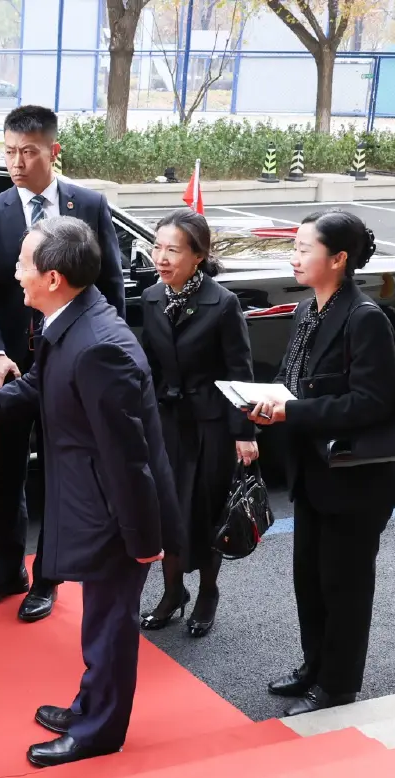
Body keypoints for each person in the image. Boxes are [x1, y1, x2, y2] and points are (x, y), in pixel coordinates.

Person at [0, 216, 177, 767]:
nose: (15, 272)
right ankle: (90, 706)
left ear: (52, 277)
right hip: (92, 498)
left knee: (109, 624)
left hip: (116, 512)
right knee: (100, 620)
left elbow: (130, 456)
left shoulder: (99, 345)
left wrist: (145, 539)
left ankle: (99, 730)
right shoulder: (69, 322)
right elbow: (31, 386)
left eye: (24, 263)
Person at [0, 104, 125, 622]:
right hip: (11, 367)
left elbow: (111, 286)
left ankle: (49, 577)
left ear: (54, 151)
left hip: (71, 365)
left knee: (60, 474)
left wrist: (103, 355)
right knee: (4, 475)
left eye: (28, 151)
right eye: (9, 151)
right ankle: (7, 569)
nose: (17, 162)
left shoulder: (90, 205)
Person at [247, 210, 395, 717]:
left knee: (345, 586)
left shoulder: (364, 319)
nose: (293, 257)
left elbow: (371, 403)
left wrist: (291, 411)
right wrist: (264, 401)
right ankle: (313, 666)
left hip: (357, 479)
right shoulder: (306, 310)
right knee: (310, 579)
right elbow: (294, 381)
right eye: (293, 247)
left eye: (303, 249)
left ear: (337, 260)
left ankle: (337, 684)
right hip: (314, 471)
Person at [138, 209, 258, 638]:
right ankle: (173, 592)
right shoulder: (151, 297)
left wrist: (244, 433)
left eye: (173, 250)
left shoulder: (221, 303)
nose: (162, 257)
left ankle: (207, 592)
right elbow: (147, 367)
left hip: (210, 426)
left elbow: (238, 372)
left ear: (198, 256)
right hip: (167, 424)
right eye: (157, 247)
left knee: (206, 514)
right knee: (166, 512)